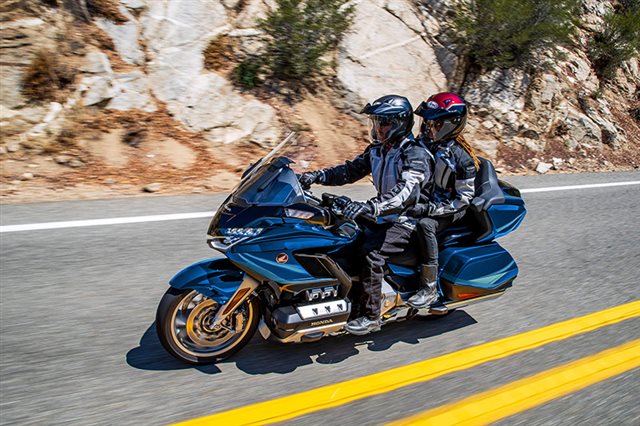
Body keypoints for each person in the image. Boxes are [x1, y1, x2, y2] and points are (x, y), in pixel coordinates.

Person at [299, 95, 433, 335]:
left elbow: (405, 193)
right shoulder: (378, 150)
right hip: (383, 215)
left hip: (406, 220)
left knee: (372, 254)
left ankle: (372, 316)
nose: (378, 128)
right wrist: (316, 176)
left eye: (384, 123)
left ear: (400, 123)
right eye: (376, 122)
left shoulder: (414, 154)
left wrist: (370, 207)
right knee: (341, 237)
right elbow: (349, 171)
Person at [406, 92, 480, 309]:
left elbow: (463, 199)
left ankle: (429, 288)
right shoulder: (426, 144)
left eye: (435, 124)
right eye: (427, 123)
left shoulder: (462, 159)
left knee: (425, 225)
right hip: (429, 199)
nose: (429, 128)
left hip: (452, 208)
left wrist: (430, 209)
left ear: (451, 125)